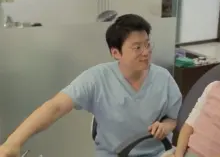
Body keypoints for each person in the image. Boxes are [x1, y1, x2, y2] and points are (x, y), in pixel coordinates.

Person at [0, 14, 182, 157]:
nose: (146, 52)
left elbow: (175, 119)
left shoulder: (163, 78)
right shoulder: (97, 78)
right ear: (116, 53)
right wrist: (12, 143)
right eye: (137, 47)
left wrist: (166, 126)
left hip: (158, 154)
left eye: (147, 45)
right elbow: (55, 107)